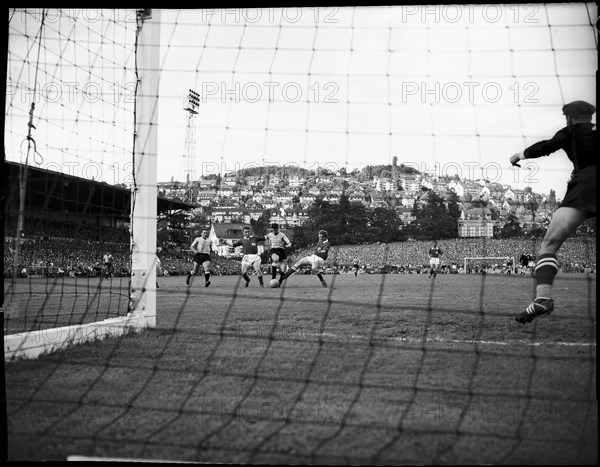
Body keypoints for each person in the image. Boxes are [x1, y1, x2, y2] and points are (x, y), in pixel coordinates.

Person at [510, 100, 596, 323]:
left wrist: (518, 155)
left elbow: (545, 147)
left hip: (587, 184)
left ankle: (543, 299)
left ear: (568, 117)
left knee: (549, 245)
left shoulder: (571, 131)